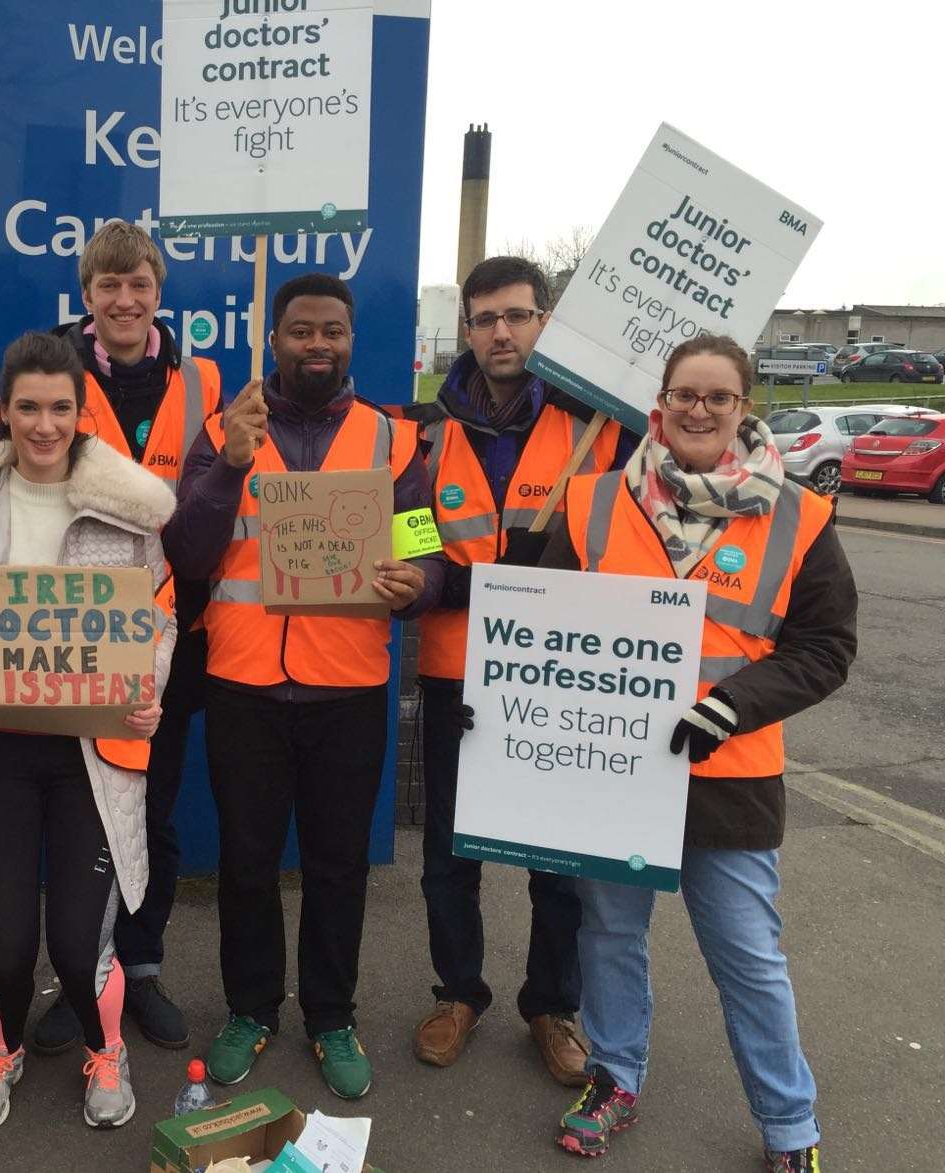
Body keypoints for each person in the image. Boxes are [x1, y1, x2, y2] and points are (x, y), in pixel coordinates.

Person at [540, 333, 854, 1172]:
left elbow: (825, 647)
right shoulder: (593, 501)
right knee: (608, 935)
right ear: (660, 405)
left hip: (731, 777)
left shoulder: (800, 516)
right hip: (612, 774)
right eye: (686, 394)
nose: (701, 409)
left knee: (748, 958)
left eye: (719, 397)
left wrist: (733, 706)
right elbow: (540, 623)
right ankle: (614, 1078)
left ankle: (790, 1127)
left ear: (744, 408)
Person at [164, 273, 443, 1100]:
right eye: (300, 331)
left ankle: (331, 1014)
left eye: (332, 331)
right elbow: (185, 553)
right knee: (247, 866)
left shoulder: (392, 440)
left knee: (337, 865)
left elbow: (424, 548)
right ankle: (251, 1009)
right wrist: (228, 469)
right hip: (244, 684)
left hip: (349, 688)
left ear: (351, 340)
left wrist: (418, 584)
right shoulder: (225, 432)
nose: (317, 344)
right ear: (274, 339)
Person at [0, 331, 178, 1130]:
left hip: (90, 751)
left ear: (80, 410)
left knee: (77, 938)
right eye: (27, 406)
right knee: (4, 936)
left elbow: (161, 615)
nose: (43, 423)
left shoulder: (131, 504)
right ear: (5, 410)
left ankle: (107, 1048)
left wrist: (148, 687)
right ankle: (1, 1051)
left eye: (60, 407)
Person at [409, 255, 634, 1084]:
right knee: (448, 856)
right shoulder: (427, 434)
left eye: (517, 315)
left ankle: (552, 1006)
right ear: (464, 329)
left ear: (545, 322)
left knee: (558, 860)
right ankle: (458, 992)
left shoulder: (602, 429)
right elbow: (412, 540)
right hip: (454, 670)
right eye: (483, 318)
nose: (500, 332)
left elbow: (643, 536)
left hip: (560, 676)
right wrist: (467, 579)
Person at [34, 218, 222, 1054]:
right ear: (86, 294)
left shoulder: (208, 380)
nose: (123, 299)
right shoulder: (50, 372)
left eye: (138, 283)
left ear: (158, 291)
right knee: (79, 815)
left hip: (172, 637)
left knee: (153, 811)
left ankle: (139, 969)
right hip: (70, 636)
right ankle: (79, 979)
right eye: (107, 285)